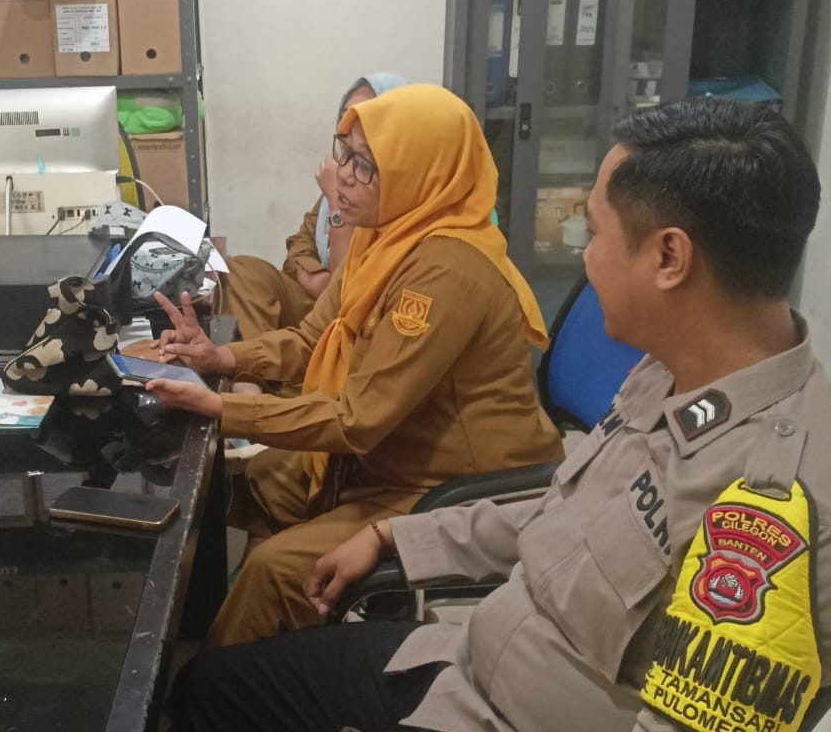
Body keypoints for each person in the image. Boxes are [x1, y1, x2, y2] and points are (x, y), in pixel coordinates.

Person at [147, 99, 831, 732]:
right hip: (481, 675)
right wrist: (400, 535)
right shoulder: (681, 372)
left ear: (670, 257)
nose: (583, 258)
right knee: (217, 695)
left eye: (595, 232)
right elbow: (569, 504)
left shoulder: (785, 519)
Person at [146, 85, 563, 648]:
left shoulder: (446, 270)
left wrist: (223, 408)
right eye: (344, 153)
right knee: (252, 482)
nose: (343, 174)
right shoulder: (385, 235)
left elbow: (357, 421)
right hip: (385, 456)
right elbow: (313, 337)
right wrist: (224, 357)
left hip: (451, 486)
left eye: (365, 164)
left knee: (275, 571)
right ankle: (261, 645)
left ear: (420, 172)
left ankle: (218, 689)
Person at [217, 73, 408, 340]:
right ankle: (250, 362)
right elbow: (298, 245)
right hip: (317, 298)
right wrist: (315, 279)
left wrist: (337, 202)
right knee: (243, 271)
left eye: (365, 115)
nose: (350, 124)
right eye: (346, 114)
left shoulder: (389, 188)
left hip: (359, 312)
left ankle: (264, 359)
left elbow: (350, 287)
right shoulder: (343, 170)